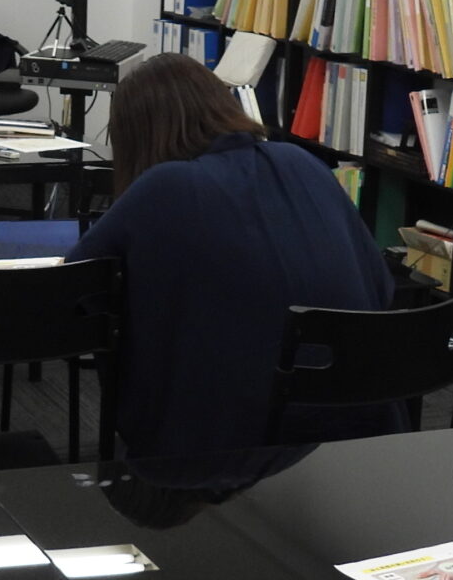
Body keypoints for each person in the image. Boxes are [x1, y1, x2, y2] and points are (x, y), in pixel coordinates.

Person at [69, 54, 395, 458]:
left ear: (137, 134)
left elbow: (72, 287)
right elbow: (381, 286)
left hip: (233, 444)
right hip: (364, 423)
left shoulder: (162, 187)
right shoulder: (302, 161)